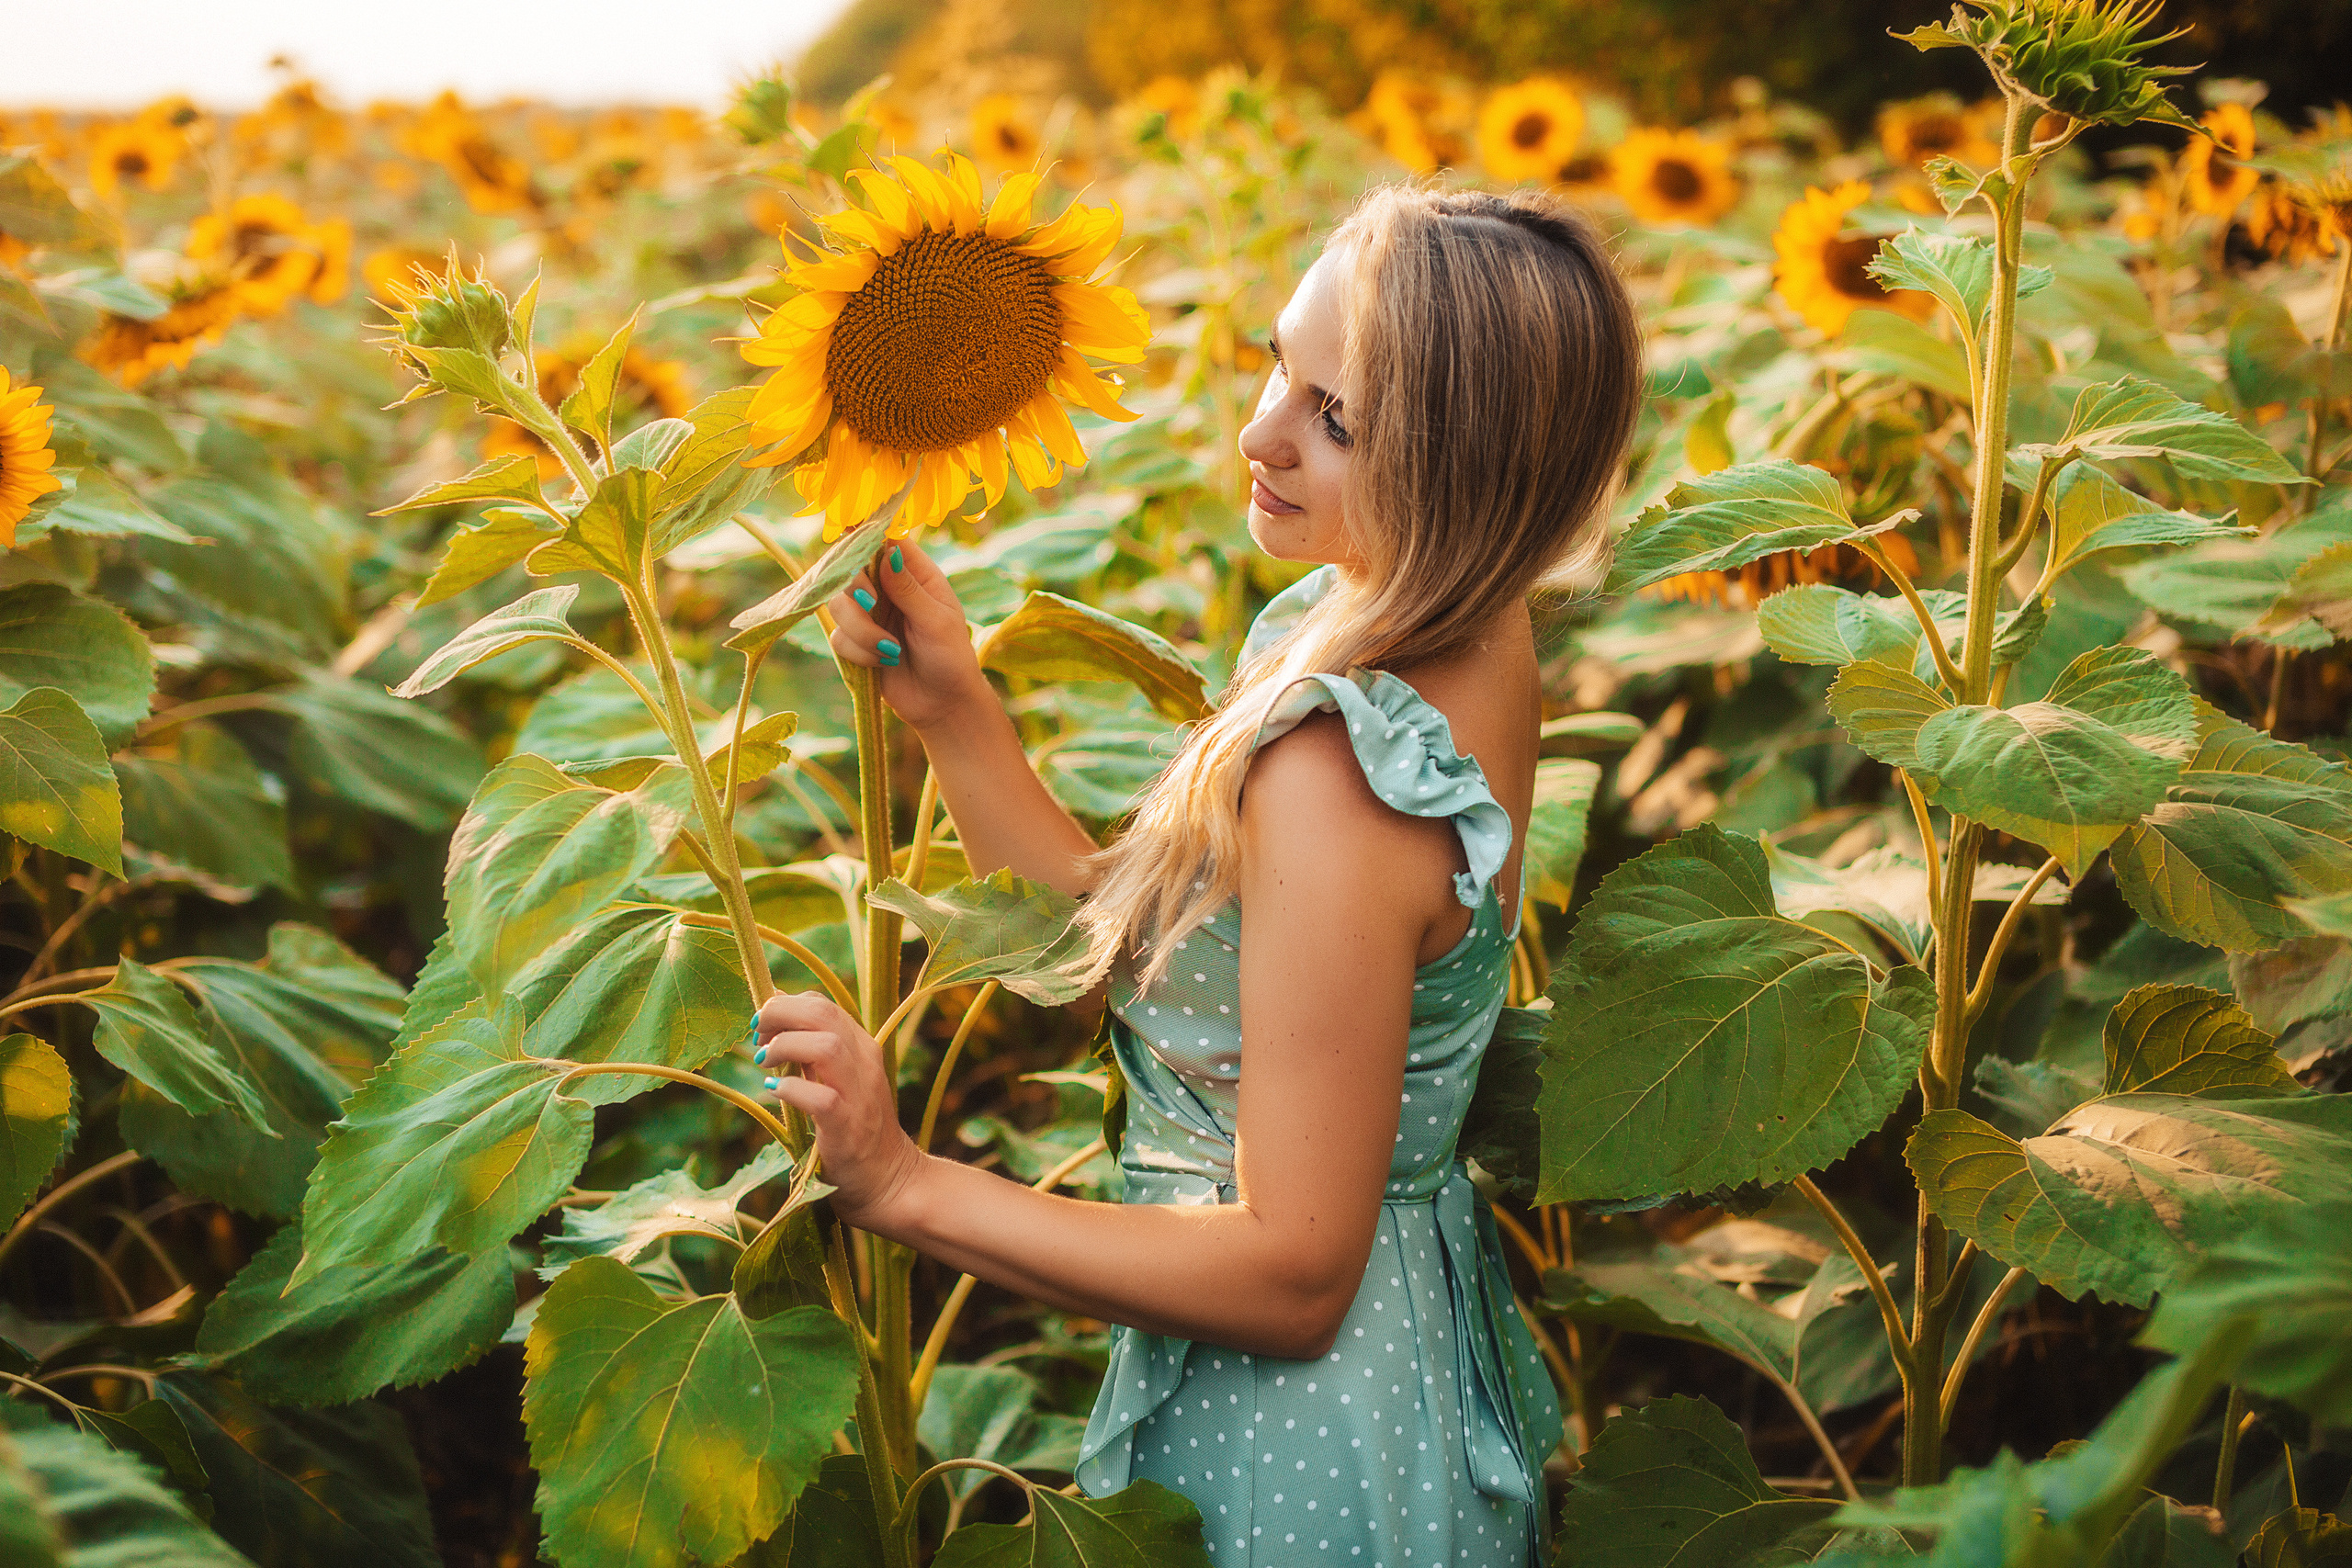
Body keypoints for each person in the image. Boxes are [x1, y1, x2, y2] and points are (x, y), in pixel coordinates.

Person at [751, 183, 1643, 1566]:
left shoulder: (1345, 775)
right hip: (1384, 1356)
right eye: (1283, 363)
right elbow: (1175, 962)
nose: (1262, 430)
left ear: (1468, 469)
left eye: (1335, 419)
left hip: (1299, 1422)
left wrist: (900, 1179)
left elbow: (1292, 1273)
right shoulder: (1422, 630)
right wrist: (957, 716)